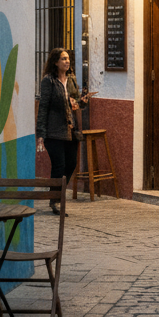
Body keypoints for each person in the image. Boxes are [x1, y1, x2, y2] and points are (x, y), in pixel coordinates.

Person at [36, 48, 93, 215]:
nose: (67, 62)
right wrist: (41, 133)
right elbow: (43, 107)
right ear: (55, 62)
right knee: (58, 166)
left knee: (71, 164)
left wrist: (82, 102)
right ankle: (55, 201)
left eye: (68, 59)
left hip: (70, 130)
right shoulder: (49, 81)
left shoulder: (71, 80)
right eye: (63, 59)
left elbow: (75, 104)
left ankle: (56, 195)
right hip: (54, 131)